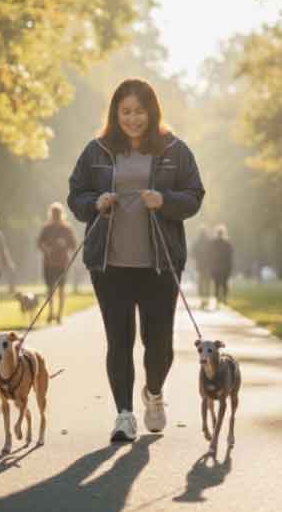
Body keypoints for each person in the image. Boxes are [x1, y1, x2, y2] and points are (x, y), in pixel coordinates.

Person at [68, 77, 205, 443]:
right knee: (120, 340)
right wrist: (94, 203)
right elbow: (76, 195)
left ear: (152, 112)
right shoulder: (96, 151)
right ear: (115, 113)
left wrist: (165, 201)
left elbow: (194, 195)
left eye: (139, 112)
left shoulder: (175, 150)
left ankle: (155, 394)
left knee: (158, 342)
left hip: (160, 263)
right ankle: (124, 414)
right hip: (109, 264)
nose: (132, 119)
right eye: (125, 112)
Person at [37, 202, 78, 324]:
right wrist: (45, 248)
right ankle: (51, 313)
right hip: (48, 263)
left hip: (62, 264)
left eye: (57, 213)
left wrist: (65, 244)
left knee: (61, 289)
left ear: (61, 214)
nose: (55, 216)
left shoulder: (67, 228)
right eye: (54, 213)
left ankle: (59, 314)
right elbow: (39, 243)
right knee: (50, 289)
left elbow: (74, 245)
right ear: (50, 214)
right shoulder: (46, 228)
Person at [208, 224, 234, 306]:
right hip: (225, 268)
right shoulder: (227, 243)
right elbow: (230, 257)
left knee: (217, 284)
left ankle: (217, 300)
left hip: (216, 268)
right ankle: (224, 299)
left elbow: (210, 256)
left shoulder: (213, 243)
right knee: (224, 284)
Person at [191, 228, 213, 309]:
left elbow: (193, 253)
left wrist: (196, 259)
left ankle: (202, 299)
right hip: (208, 265)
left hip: (200, 265)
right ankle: (206, 299)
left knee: (201, 282)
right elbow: (213, 253)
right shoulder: (209, 242)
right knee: (207, 283)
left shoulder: (197, 242)